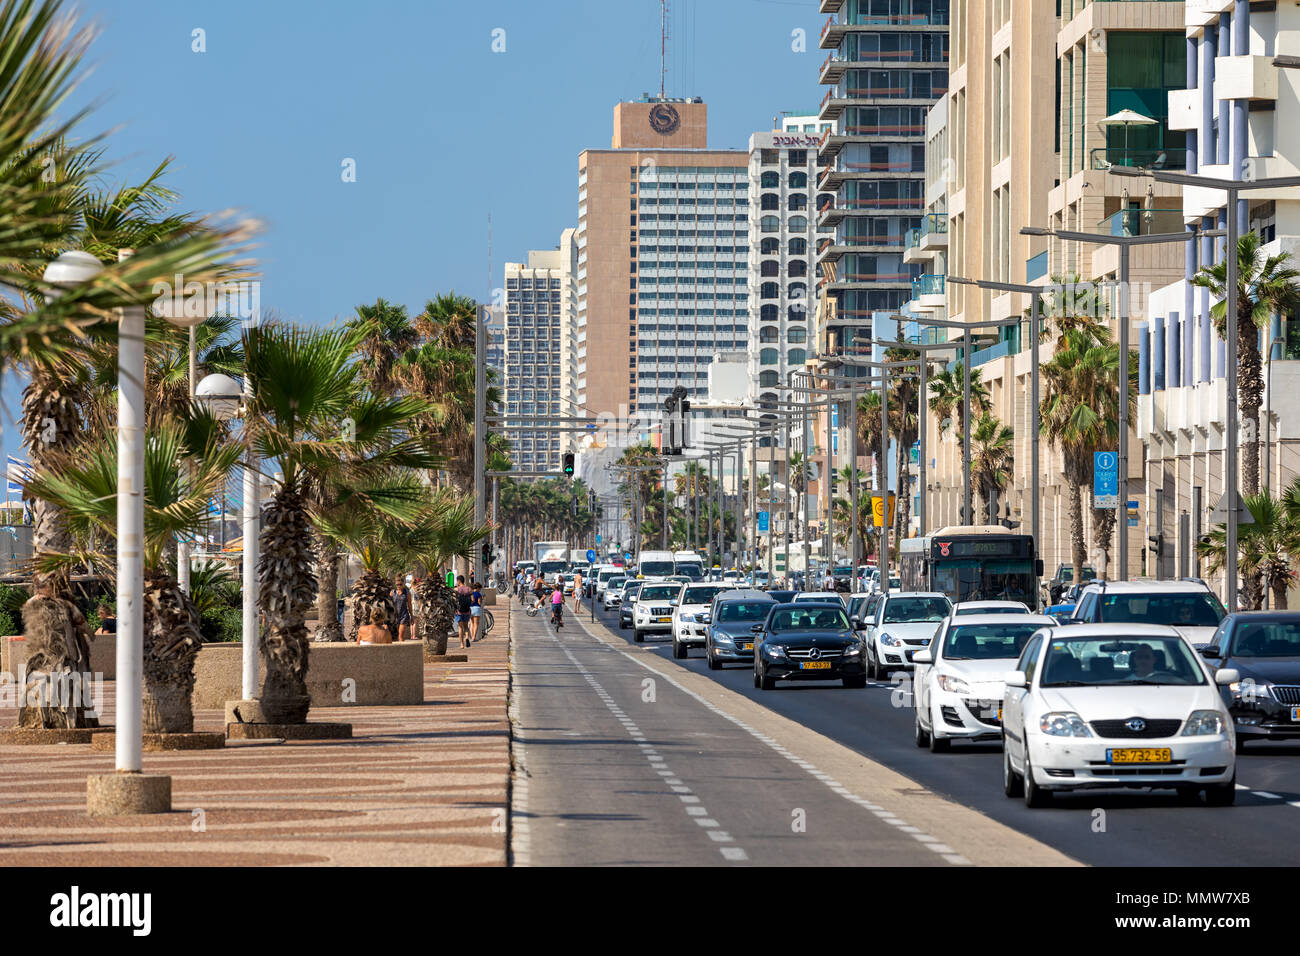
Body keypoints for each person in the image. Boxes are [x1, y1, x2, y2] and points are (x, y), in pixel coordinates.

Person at [454, 575, 473, 649]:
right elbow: (472, 600)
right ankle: (467, 637)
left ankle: (462, 644)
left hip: (459, 612)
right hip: (467, 611)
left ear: (458, 581)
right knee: (466, 627)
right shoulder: (468, 589)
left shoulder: (456, 589)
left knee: (460, 627)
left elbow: (454, 600)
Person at [392, 576, 413, 642]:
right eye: (397, 585)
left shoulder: (407, 593)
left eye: (400, 584)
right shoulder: (392, 592)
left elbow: (409, 605)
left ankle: (402, 650)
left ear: (403, 584)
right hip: (395, 616)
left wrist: (411, 616)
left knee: (400, 635)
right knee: (396, 637)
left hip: (404, 615)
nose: (399, 586)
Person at [469, 577, 484, 642]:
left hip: (470, 608)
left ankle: (471, 636)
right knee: (476, 624)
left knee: (472, 623)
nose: (480, 590)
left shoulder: (471, 594)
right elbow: (479, 602)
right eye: (480, 588)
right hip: (476, 608)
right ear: (478, 588)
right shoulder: (478, 594)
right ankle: (474, 637)